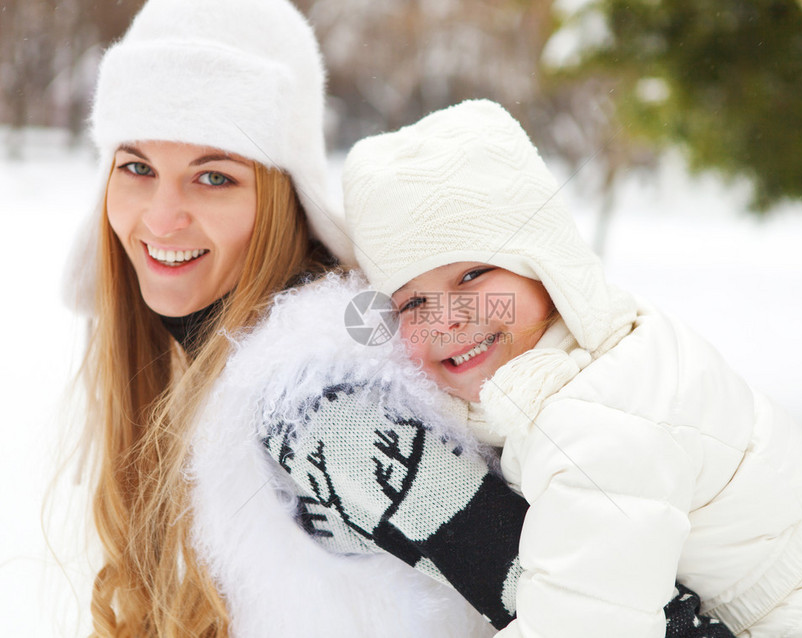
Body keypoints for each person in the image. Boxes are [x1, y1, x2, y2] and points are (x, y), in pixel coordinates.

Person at [68, 0, 734, 634]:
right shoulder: (211, 365)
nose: (160, 217)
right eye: (136, 166)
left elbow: (618, 614)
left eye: (215, 176)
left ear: (281, 196)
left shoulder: (325, 409)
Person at [340, 98, 802, 637]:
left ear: (547, 266)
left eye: (473, 276)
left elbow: (580, 624)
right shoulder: (591, 345)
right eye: (412, 304)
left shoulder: (595, 419)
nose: (447, 320)